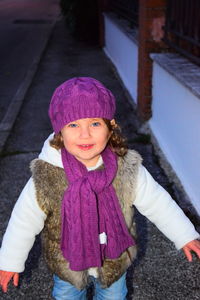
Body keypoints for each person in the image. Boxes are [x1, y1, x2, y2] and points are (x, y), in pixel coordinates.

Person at [0, 77, 199, 300]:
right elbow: (24, 220)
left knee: (114, 296)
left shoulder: (126, 168)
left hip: (114, 260)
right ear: (60, 132)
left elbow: (158, 202)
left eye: (95, 123)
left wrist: (184, 234)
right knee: (66, 296)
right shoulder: (47, 175)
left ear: (110, 127)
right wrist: (10, 261)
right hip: (68, 264)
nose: (85, 134)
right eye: (73, 124)